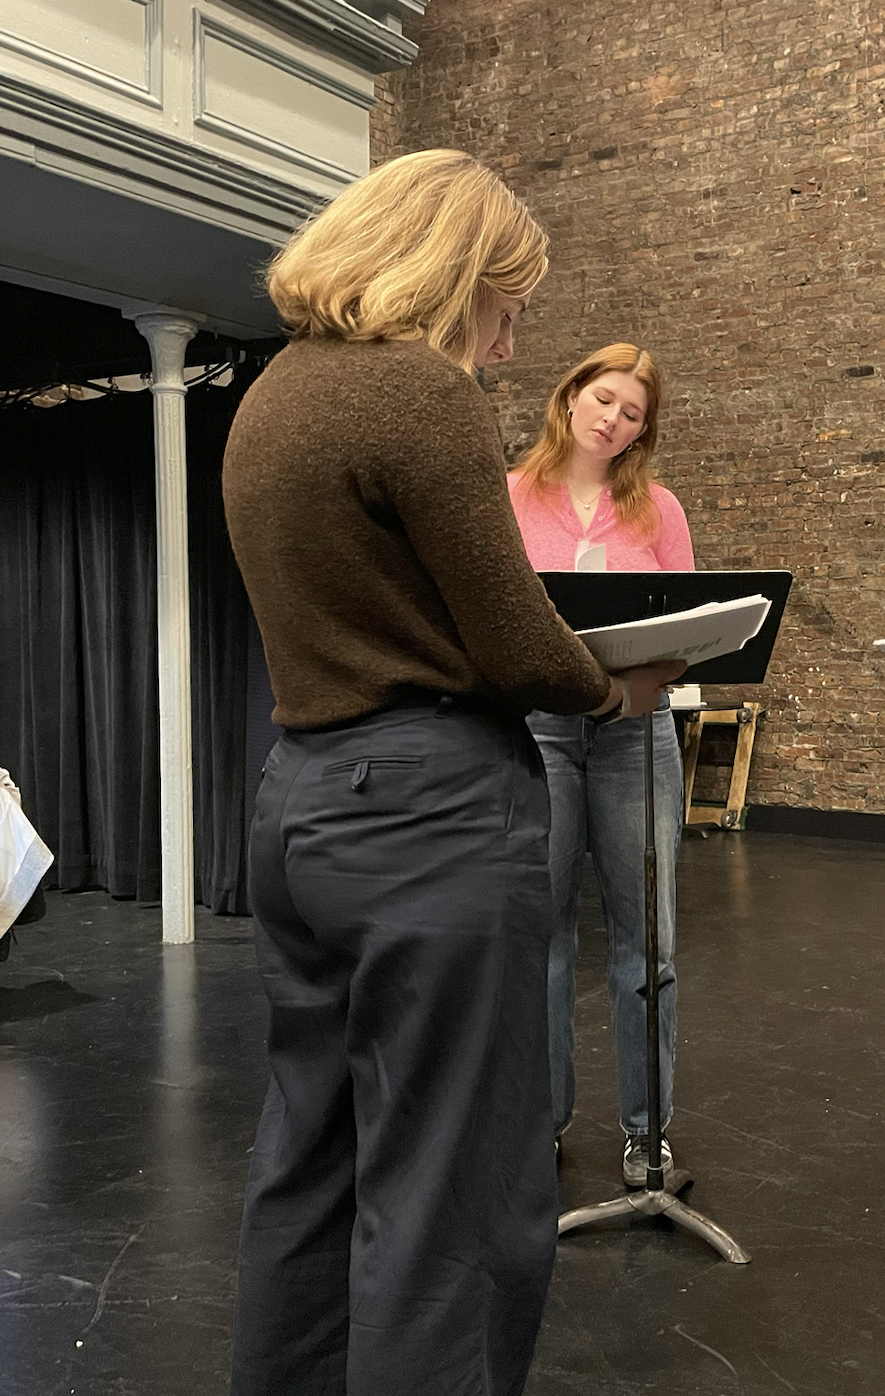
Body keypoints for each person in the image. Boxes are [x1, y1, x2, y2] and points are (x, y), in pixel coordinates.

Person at [221, 149, 683, 1396]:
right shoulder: (419, 391)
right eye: (507, 303)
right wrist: (613, 688)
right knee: (456, 1187)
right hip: (428, 810)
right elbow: (513, 634)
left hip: (301, 802)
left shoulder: (273, 390)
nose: (512, 341)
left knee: (309, 1157)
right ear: (451, 270)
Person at [506, 344, 695, 1186]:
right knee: (540, 937)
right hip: (539, 729)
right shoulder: (510, 496)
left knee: (646, 942)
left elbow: (691, 626)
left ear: (643, 432)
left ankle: (647, 1132)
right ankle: (540, 1125)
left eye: (633, 413)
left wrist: (654, 672)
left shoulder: (660, 509)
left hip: (635, 734)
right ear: (571, 395)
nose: (614, 419)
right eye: (605, 398)